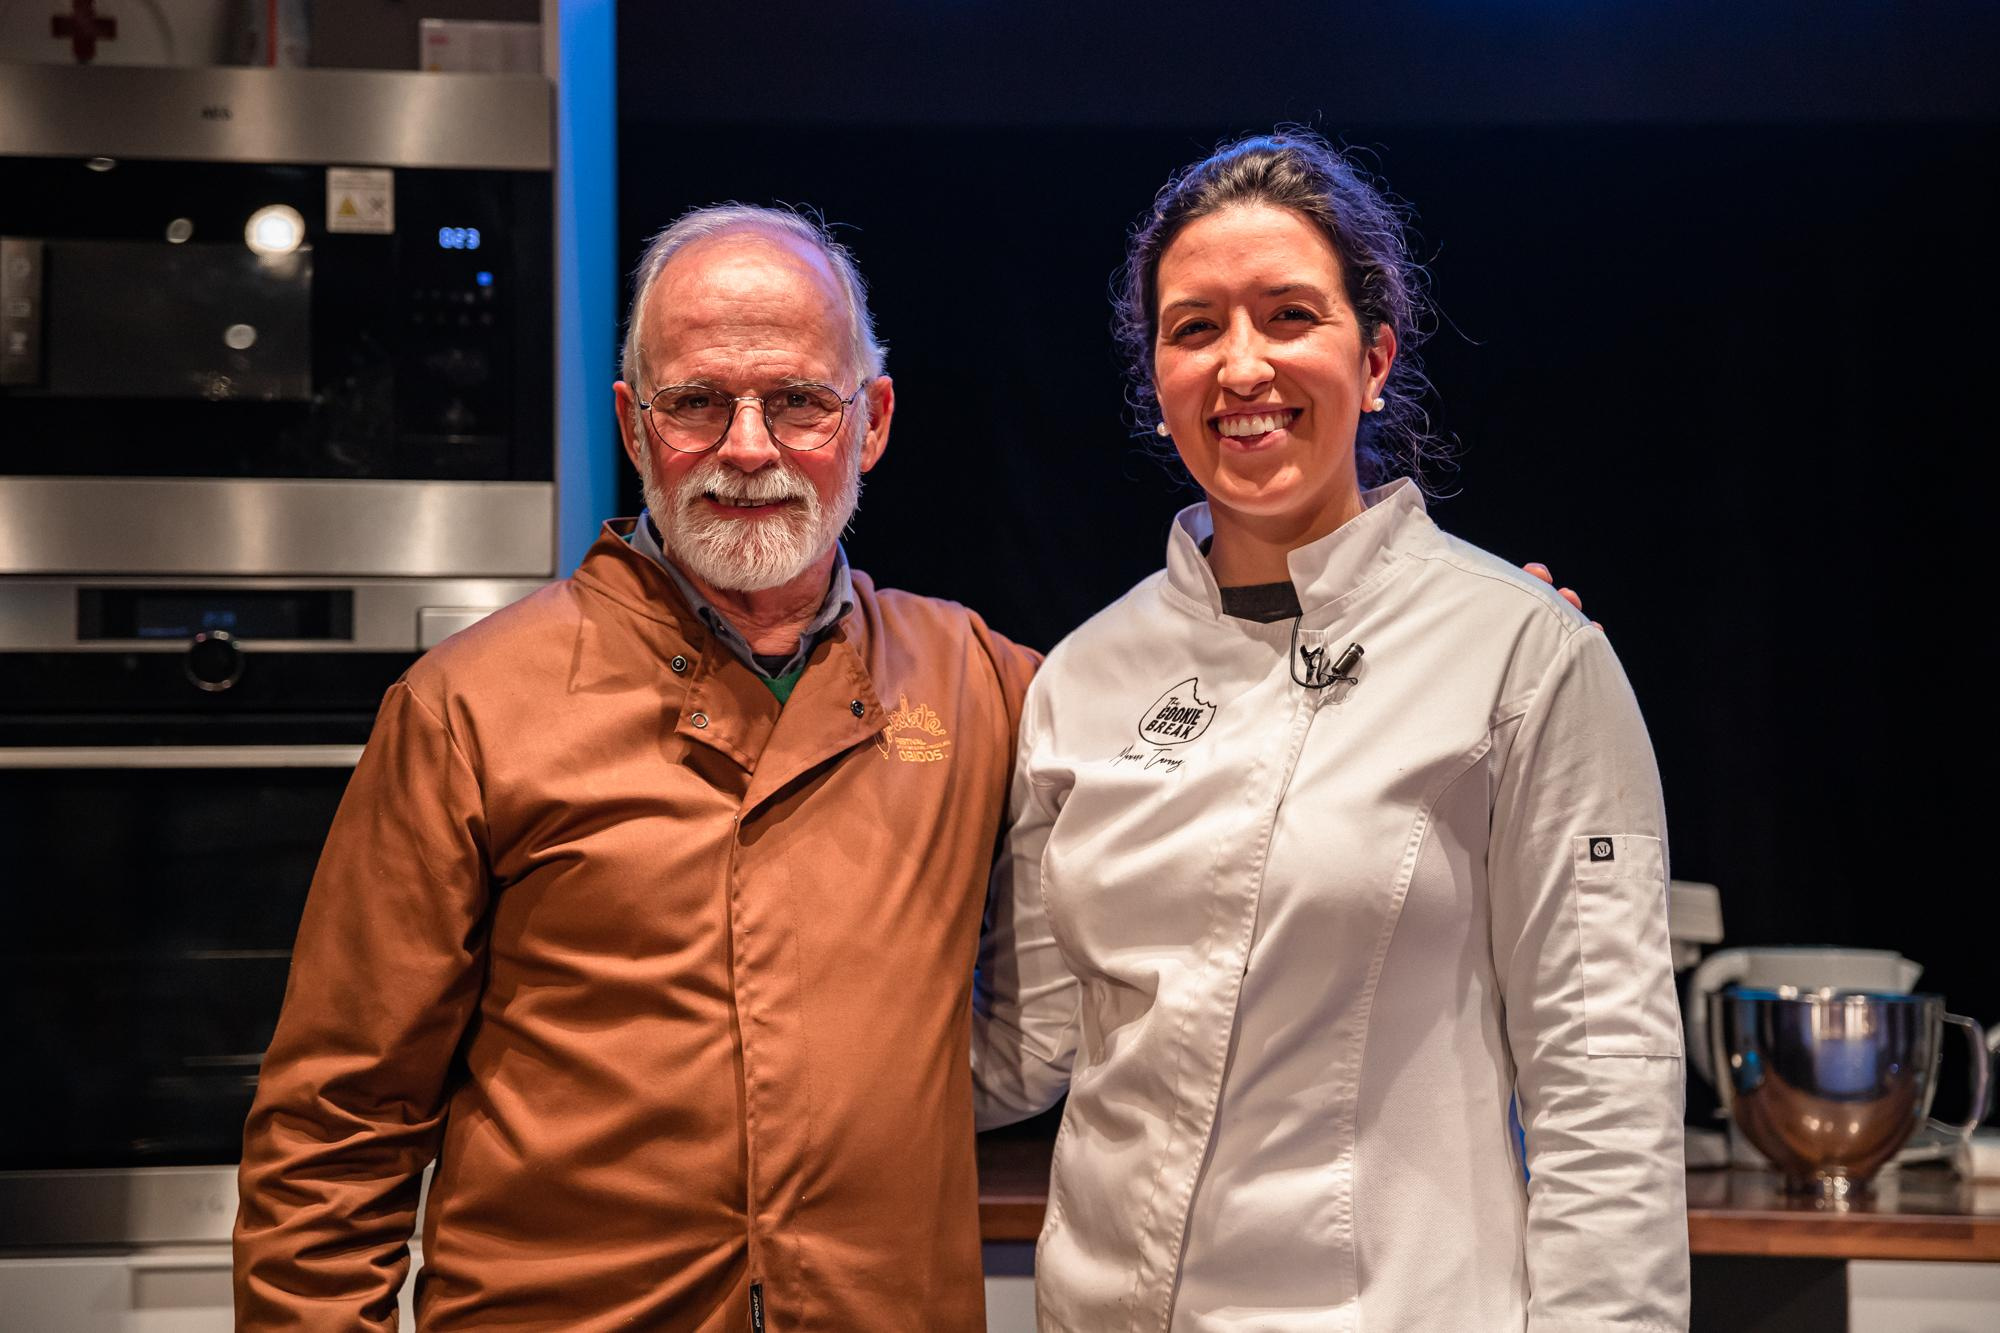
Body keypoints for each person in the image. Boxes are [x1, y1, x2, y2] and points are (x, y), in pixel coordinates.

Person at [233, 205, 1039, 1331]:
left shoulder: (972, 681)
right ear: (631, 422)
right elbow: (335, 1129)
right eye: (697, 403)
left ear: (872, 423)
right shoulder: (467, 705)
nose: (747, 449)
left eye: (799, 400)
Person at [972, 133, 1688, 1330]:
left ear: (1374, 355)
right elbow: (1031, 1040)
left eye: (1287, 314)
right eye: (1193, 328)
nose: (1239, 365)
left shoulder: (1522, 654)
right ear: (1156, 378)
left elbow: (1601, 1079)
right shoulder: (1085, 676)